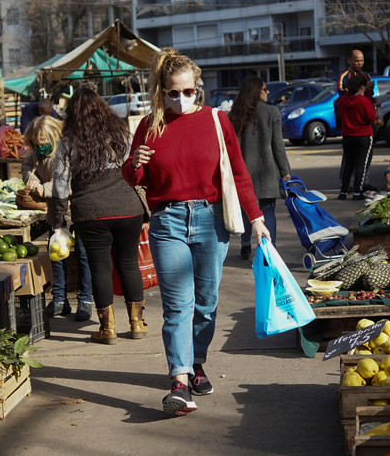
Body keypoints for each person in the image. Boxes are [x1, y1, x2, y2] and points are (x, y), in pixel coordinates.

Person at [123, 48, 269, 416]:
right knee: (177, 307)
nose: (182, 99)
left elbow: (238, 173)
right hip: (167, 221)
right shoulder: (149, 125)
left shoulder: (218, 121)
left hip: (210, 220)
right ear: (162, 91)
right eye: (173, 92)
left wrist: (256, 219)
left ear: (198, 89)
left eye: (189, 92)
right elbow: (134, 178)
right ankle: (179, 380)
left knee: (205, 304)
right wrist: (134, 164)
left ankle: (197, 362)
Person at [48, 86, 147, 343]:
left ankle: (108, 329)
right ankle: (137, 324)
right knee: (128, 264)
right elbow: (133, 167)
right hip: (128, 209)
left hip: (91, 213)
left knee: (100, 269)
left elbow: (60, 186)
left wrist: (57, 222)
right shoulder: (121, 133)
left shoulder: (68, 141)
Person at [24, 116, 93, 321]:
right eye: (37, 144)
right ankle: (60, 299)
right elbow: (26, 168)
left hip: (76, 211)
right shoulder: (36, 155)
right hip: (55, 213)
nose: (40, 147)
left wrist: (43, 188)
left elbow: (67, 183)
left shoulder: (67, 153)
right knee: (57, 255)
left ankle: (85, 300)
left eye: (44, 144)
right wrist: (32, 181)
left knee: (83, 255)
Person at [227, 76, 291, 260]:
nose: (268, 92)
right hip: (267, 172)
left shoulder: (235, 114)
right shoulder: (272, 112)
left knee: (247, 210)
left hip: (242, 172)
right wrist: (285, 171)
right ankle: (269, 250)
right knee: (267, 211)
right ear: (256, 92)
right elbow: (278, 145)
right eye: (265, 89)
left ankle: (245, 245)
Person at [334, 74, 377, 201]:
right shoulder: (364, 101)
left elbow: (340, 116)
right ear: (362, 87)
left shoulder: (342, 101)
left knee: (348, 164)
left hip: (347, 135)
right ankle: (357, 192)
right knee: (361, 165)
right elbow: (371, 118)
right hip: (363, 135)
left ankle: (343, 192)